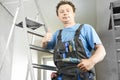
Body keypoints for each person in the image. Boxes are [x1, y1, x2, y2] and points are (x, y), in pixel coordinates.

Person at [41, 1, 106, 80]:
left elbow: (101, 50)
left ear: (74, 13)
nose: (65, 13)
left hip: (81, 75)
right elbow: (45, 47)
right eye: (61, 12)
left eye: (68, 10)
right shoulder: (57, 34)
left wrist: (91, 61)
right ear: (58, 16)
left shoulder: (85, 28)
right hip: (62, 76)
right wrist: (44, 41)